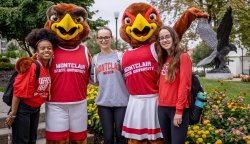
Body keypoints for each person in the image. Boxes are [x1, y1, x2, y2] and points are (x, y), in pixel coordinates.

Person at [5, 28, 57, 144]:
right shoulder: (33, 66)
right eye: (42, 48)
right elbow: (18, 91)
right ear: (37, 52)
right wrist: (13, 114)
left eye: (49, 48)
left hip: (35, 109)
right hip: (23, 109)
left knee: (32, 140)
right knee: (21, 141)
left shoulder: (47, 67)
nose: (46, 50)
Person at [90, 27, 129, 144]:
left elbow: (128, 77)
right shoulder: (95, 59)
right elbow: (94, 79)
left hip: (121, 102)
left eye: (106, 37)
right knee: (108, 138)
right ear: (97, 40)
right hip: (104, 103)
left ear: (111, 38)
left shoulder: (120, 56)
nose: (103, 40)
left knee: (121, 137)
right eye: (100, 38)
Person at [157, 26, 192, 144]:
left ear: (173, 38)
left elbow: (185, 85)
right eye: (161, 38)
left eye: (167, 36)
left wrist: (179, 111)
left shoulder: (183, 57)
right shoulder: (163, 59)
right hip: (162, 108)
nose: (164, 40)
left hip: (177, 109)